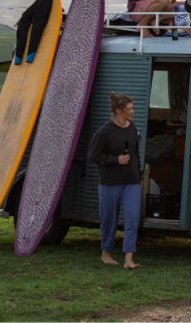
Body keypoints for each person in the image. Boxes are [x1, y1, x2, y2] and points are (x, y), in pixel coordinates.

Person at [87, 92, 143, 269]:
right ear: (119, 111)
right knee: (109, 219)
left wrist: (139, 175)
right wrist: (114, 160)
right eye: (129, 109)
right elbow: (93, 156)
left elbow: (135, 152)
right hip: (110, 183)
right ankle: (106, 254)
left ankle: (128, 259)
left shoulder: (132, 127)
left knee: (132, 217)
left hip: (132, 182)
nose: (133, 111)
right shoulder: (104, 132)